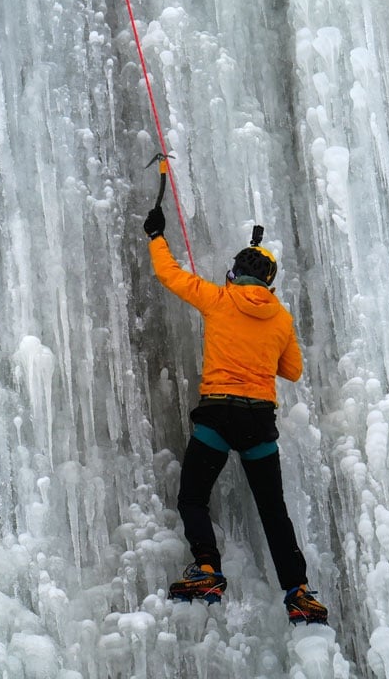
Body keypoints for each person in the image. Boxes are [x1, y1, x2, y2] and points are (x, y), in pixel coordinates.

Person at [142, 203, 328, 625]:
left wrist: (156, 237)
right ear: (269, 281)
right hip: (258, 422)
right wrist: (266, 347)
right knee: (273, 510)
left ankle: (207, 568)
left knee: (193, 496)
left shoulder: (218, 300)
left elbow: (170, 275)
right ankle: (298, 592)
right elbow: (293, 370)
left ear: (234, 274)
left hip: (218, 416)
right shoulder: (281, 318)